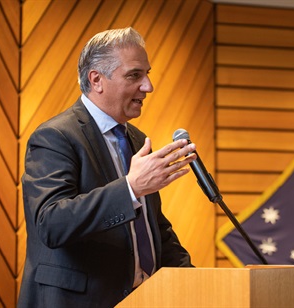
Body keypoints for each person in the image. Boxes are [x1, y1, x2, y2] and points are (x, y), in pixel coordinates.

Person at [17, 27, 196, 308]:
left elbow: (152, 229)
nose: (148, 86)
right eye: (135, 75)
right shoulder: (55, 136)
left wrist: (196, 283)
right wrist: (131, 188)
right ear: (97, 80)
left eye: (147, 74)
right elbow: (51, 224)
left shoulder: (135, 139)